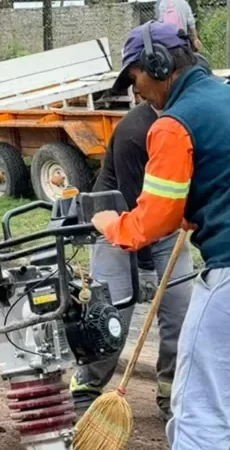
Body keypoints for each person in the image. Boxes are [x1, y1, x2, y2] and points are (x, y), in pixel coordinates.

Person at [91, 21, 230, 449]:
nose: (138, 92)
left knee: (197, 411)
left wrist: (109, 225)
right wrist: (200, 207)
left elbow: (153, 221)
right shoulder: (224, 98)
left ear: (159, 64)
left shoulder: (172, 124)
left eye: (136, 79)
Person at [68, 99, 194, 421]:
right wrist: (145, 267)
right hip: (115, 227)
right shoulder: (133, 133)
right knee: (110, 322)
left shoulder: (191, 123)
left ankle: (171, 394)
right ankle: (86, 388)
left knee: (182, 317)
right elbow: (135, 211)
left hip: (167, 232)